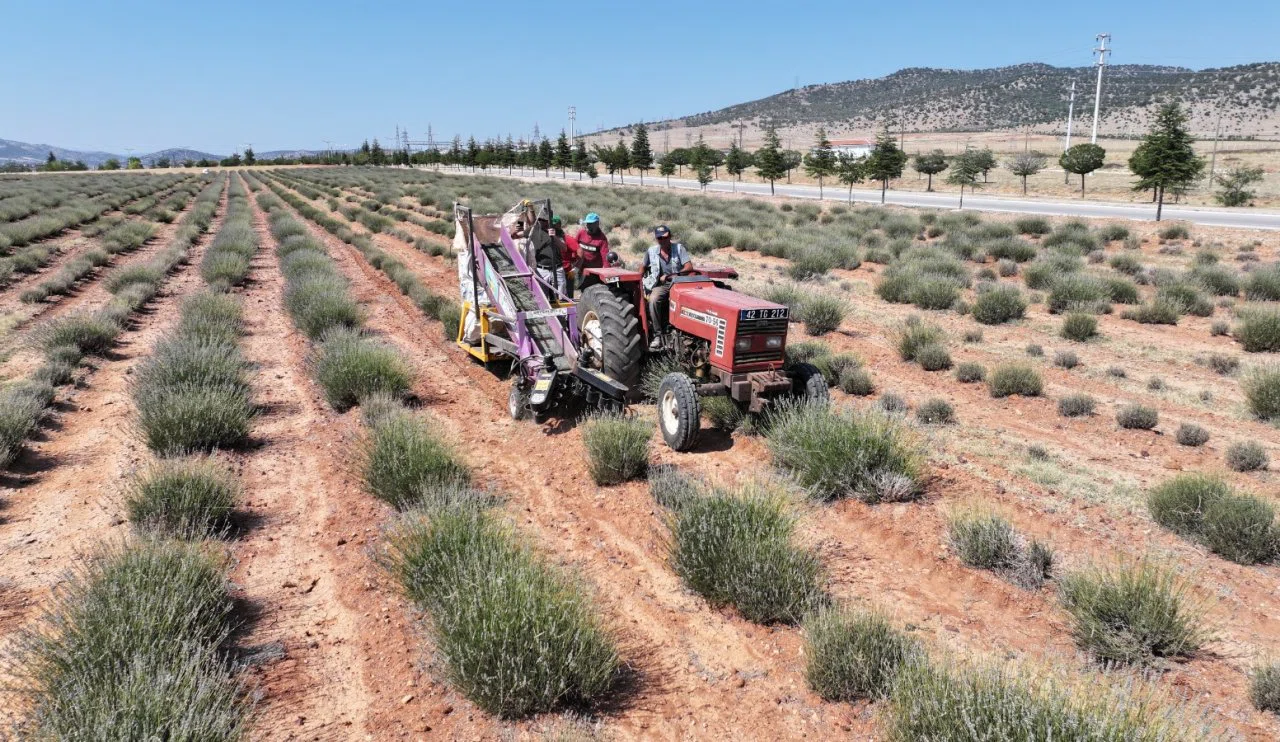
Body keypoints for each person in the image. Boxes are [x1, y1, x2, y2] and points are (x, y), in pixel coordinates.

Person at [642, 225, 692, 350]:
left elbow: (689, 267)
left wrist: (673, 275)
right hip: (661, 285)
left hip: (678, 283)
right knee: (653, 300)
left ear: (669, 236)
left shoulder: (679, 248)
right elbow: (642, 266)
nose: (662, 240)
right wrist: (638, 280)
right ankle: (658, 335)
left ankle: (687, 334)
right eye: (659, 238)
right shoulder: (651, 251)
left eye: (664, 237)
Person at [529, 216, 566, 298]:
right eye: (541, 220)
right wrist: (519, 224)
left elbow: (564, 248)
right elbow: (517, 234)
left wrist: (554, 237)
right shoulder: (534, 231)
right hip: (541, 270)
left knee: (561, 296)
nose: (544, 222)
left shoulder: (557, 232)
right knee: (541, 296)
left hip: (557, 269)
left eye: (546, 220)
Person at [574, 212, 611, 287]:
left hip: (593, 272)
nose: (588, 226)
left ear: (597, 224)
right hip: (580, 268)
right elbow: (574, 246)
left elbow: (605, 257)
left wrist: (607, 273)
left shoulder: (602, 239)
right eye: (587, 223)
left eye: (591, 224)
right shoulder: (581, 233)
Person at [551, 215, 578, 299]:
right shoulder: (548, 238)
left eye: (556, 224)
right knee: (554, 295)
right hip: (552, 270)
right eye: (553, 225)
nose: (555, 226)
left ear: (559, 224)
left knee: (568, 296)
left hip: (567, 271)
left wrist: (576, 268)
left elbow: (579, 252)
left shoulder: (567, 239)